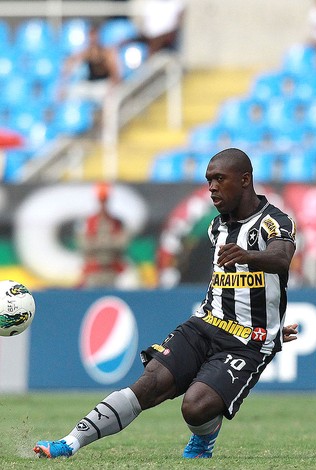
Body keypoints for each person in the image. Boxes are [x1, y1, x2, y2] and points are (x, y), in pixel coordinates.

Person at [34, 148, 298, 459]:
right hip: (205, 324)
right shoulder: (217, 227)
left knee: (195, 407)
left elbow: (282, 258)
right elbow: (227, 286)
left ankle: (206, 433)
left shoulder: (274, 221)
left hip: (246, 343)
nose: (212, 187)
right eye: (209, 180)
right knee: (150, 383)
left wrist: (249, 260)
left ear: (245, 179)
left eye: (219, 179)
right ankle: (69, 443)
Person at [78, 182, 130, 288]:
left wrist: (100, 244)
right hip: (93, 272)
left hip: (113, 271)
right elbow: (84, 245)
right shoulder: (89, 222)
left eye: (105, 200)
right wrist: (108, 244)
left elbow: (123, 244)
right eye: (101, 201)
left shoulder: (117, 222)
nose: (103, 204)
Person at [60, 24, 121, 103]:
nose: (93, 39)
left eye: (94, 36)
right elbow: (70, 63)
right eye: (91, 36)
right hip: (89, 86)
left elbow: (115, 73)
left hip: (103, 84)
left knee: (111, 96)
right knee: (70, 92)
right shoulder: (85, 52)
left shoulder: (107, 53)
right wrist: (63, 82)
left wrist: (112, 86)